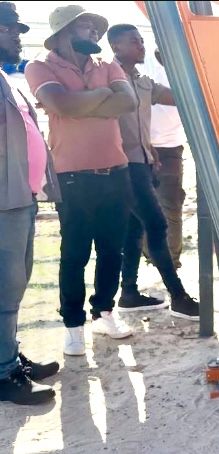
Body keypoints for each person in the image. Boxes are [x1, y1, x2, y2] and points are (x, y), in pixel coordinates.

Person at [25, 5, 138, 355]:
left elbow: (129, 102)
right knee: (74, 253)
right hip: (72, 175)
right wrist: (103, 96)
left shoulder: (107, 64)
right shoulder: (39, 66)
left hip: (116, 171)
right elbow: (62, 106)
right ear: (64, 32)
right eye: (86, 26)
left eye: (95, 27)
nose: (95, 32)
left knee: (112, 250)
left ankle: (104, 312)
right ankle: (73, 325)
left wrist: (82, 102)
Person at [107, 24, 199, 320]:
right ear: (116, 47)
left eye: (141, 40)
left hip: (144, 162)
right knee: (157, 225)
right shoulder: (106, 78)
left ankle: (129, 294)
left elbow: (178, 96)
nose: (141, 45)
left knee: (134, 230)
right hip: (123, 166)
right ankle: (179, 297)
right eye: (134, 41)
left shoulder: (143, 82)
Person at [0, 0, 60, 405]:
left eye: (18, 30)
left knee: (14, 286)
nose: (17, 37)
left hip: (21, 197)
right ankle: (4, 374)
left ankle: (7, 356)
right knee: (4, 288)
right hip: (4, 202)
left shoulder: (8, 78)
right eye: (8, 30)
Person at [141, 47, 187, 270]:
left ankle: (170, 261)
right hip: (139, 147)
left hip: (170, 147)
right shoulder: (142, 63)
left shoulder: (187, 65)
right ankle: (149, 256)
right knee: (140, 206)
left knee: (171, 205)